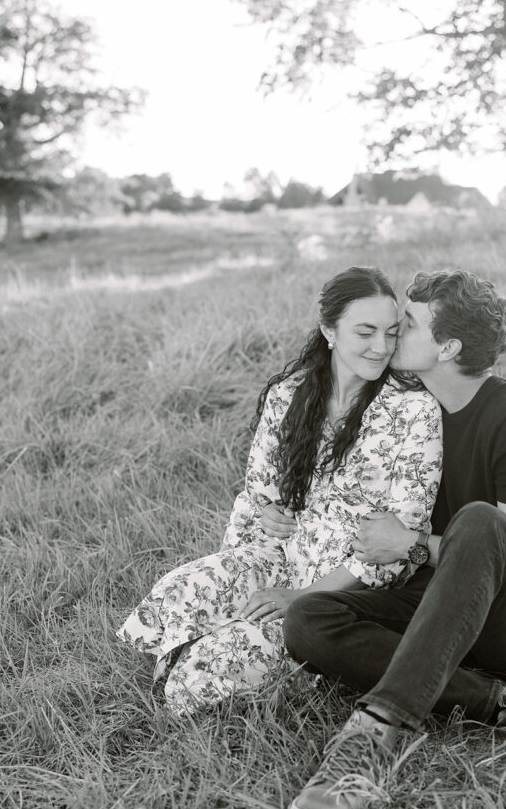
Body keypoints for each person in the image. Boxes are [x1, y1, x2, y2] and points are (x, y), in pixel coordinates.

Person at [282, 269, 506, 809]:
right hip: (440, 603)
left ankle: (374, 735)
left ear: (448, 347)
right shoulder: (416, 409)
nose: (390, 334)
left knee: (480, 521)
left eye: (407, 324)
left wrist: (411, 543)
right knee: (309, 617)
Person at [116, 266, 442, 716]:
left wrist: (303, 598)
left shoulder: (413, 409)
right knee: (179, 591)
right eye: (365, 332)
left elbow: (398, 538)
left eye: (390, 333)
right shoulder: (290, 394)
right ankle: (203, 648)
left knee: (205, 669)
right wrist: (247, 554)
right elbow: (257, 497)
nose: (382, 347)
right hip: (278, 557)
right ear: (329, 329)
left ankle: (224, 669)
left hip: (343, 592)